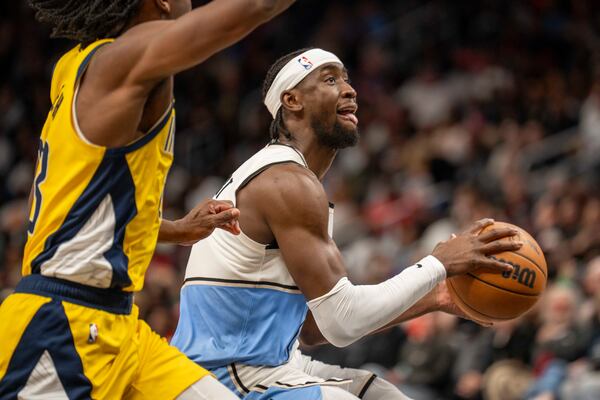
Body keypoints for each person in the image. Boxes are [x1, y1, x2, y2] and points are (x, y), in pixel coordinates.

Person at [171, 48, 522, 399]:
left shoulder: (292, 177)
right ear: (292, 100)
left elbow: (313, 329)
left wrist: (434, 297)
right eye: (330, 79)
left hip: (268, 362)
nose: (349, 89)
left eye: (346, 78)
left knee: (388, 396)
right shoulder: (285, 181)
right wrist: (438, 264)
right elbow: (342, 321)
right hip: (222, 374)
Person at [0, 0, 296, 398]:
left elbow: (85, 206)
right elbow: (254, 7)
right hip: (60, 325)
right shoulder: (121, 62)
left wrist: (176, 229)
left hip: (122, 328)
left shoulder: (76, 67)